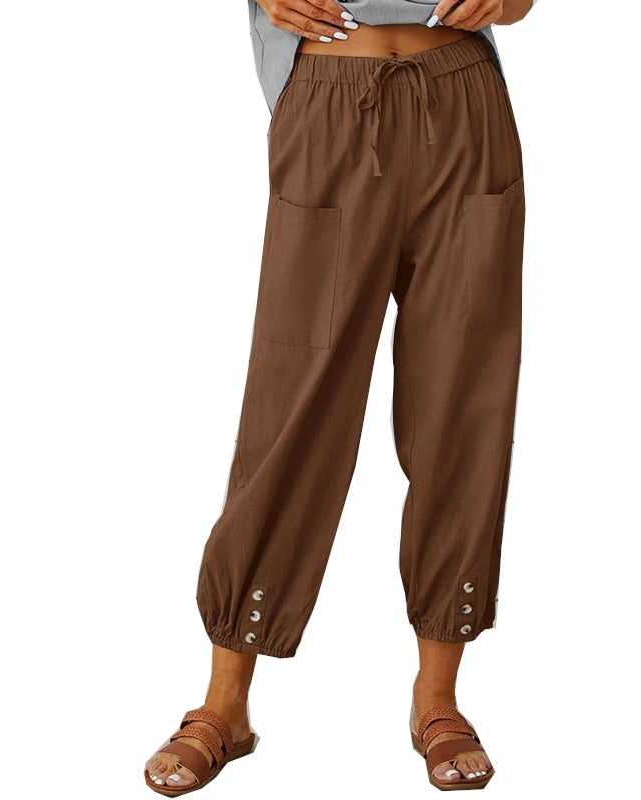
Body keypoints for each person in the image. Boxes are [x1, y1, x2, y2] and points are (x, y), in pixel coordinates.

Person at [144, 0, 537, 793]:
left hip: (463, 96)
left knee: (463, 398)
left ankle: (437, 697)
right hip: (327, 96)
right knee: (293, 406)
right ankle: (225, 701)